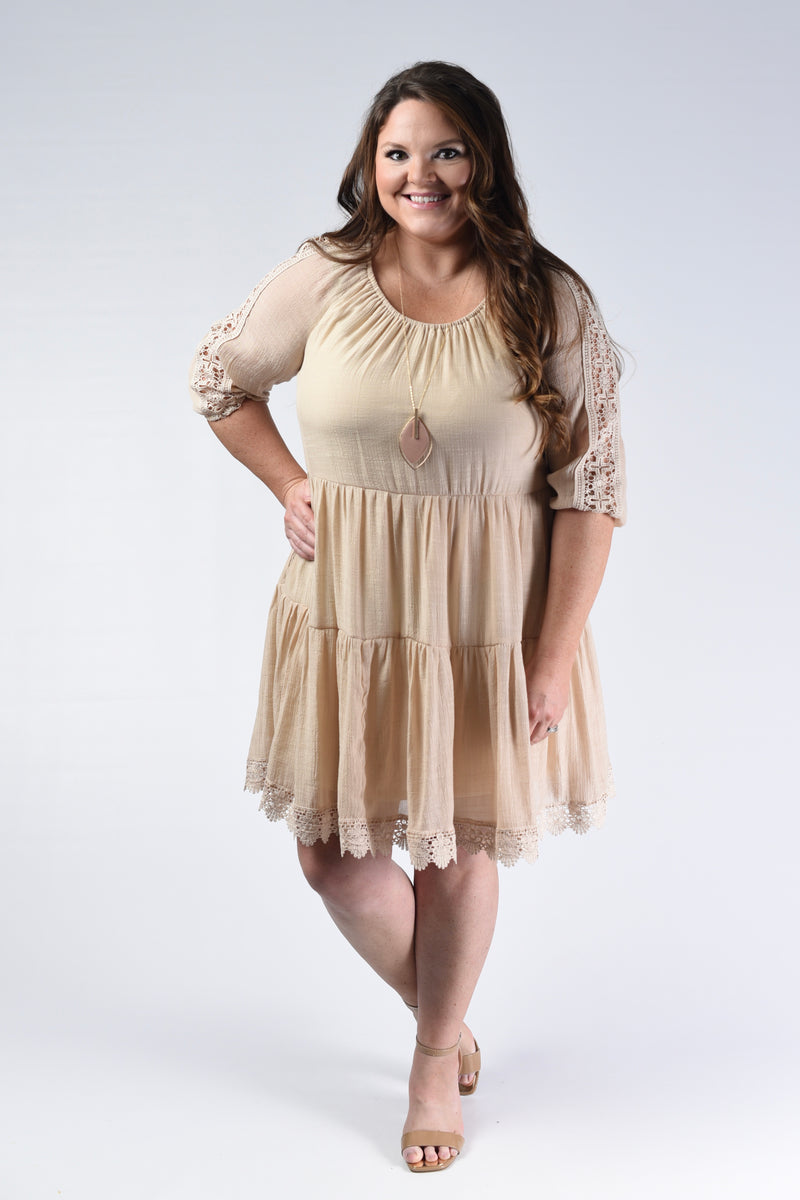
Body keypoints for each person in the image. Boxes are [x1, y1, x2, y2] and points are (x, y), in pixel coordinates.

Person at [189, 61, 625, 1173]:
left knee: (458, 847)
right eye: (396, 152)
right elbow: (220, 379)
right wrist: (289, 481)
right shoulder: (324, 275)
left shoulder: (549, 299)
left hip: (486, 623)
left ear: (484, 160)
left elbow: (590, 487)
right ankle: (444, 1008)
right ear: (368, 166)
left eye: (444, 150)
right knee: (332, 859)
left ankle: (434, 1058)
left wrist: (551, 656)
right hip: (349, 617)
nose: (418, 173)